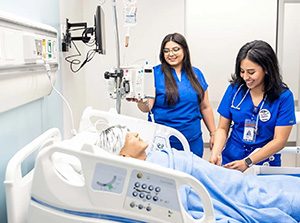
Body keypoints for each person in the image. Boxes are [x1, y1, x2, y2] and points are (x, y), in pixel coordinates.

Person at [97, 125, 300, 223]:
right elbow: (185, 204)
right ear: (122, 154)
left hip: (228, 180)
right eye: (128, 135)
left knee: (272, 185)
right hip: (227, 194)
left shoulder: (155, 156)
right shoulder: (148, 175)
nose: (135, 133)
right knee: (275, 198)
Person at [209, 40, 296, 172]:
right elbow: (222, 128)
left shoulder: (283, 97)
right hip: (231, 159)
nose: (245, 77)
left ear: (266, 69)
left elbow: (280, 140)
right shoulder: (234, 90)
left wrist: (248, 162)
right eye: (242, 71)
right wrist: (216, 152)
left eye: (251, 72)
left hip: (264, 162)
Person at [130, 33, 216, 157]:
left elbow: (205, 107)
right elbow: (147, 107)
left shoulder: (196, 74)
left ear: (184, 50)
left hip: (193, 141)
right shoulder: (154, 74)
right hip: (163, 142)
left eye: (176, 49)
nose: (171, 54)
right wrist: (140, 101)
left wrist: (213, 133)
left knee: (191, 175)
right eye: (166, 51)